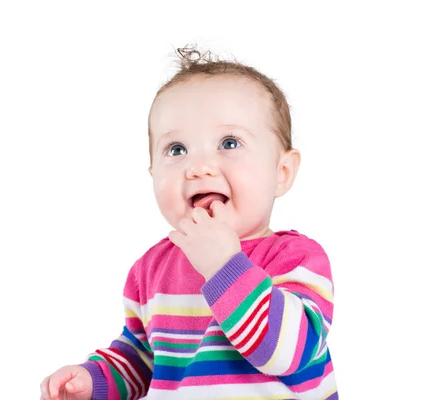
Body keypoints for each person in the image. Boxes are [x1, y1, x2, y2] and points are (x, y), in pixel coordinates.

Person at [39, 46, 338, 400]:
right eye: (177, 149)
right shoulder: (150, 269)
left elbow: (290, 354)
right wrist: (94, 380)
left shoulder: (296, 258)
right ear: (152, 174)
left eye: (229, 143)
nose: (199, 166)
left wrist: (225, 268)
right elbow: (141, 359)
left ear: (282, 172)